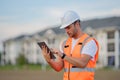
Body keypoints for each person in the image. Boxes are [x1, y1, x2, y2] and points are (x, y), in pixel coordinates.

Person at [41, 11, 99, 80]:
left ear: (77, 24)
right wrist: (49, 60)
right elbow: (59, 67)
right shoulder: (64, 44)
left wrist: (62, 55)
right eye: (65, 28)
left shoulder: (89, 42)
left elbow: (82, 63)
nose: (66, 31)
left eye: (68, 27)